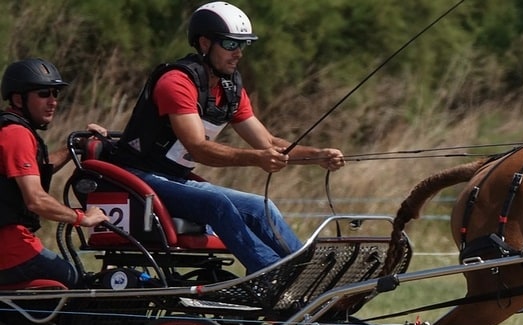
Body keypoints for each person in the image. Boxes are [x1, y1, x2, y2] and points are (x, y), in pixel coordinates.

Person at [112, 1, 345, 274]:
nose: (239, 54)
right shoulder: (177, 82)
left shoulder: (230, 87)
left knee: (261, 207)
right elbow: (199, 149)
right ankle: (271, 278)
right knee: (217, 204)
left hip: (177, 178)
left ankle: (309, 276)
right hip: (140, 178)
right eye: (231, 45)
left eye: (243, 45)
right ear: (204, 43)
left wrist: (316, 156)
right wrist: (257, 159)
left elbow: (267, 144)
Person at [0, 58, 109, 288]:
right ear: (19, 99)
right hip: (11, 249)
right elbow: (36, 200)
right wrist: (83, 218)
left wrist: (75, 147)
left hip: (11, 246)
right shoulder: (15, 134)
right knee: (78, 284)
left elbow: (38, 169)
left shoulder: (14, 129)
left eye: (55, 94)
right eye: (44, 94)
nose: (53, 102)